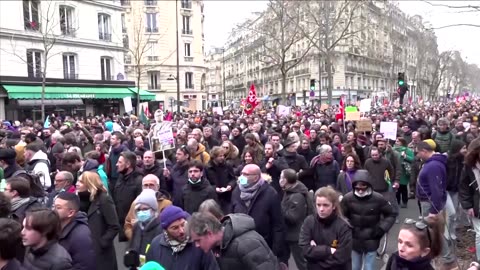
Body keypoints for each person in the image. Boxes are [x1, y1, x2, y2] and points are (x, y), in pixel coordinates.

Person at [341, 170, 396, 270]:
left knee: (369, 267)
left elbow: (391, 214)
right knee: (355, 267)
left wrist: (382, 228)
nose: (360, 191)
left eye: (363, 187)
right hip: (354, 240)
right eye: (357, 188)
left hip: (372, 239)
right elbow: (341, 216)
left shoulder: (378, 198)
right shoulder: (348, 198)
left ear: (368, 185)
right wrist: (347, 226)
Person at [230, 164, 287, 263]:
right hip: (240, 246)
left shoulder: (270, 193)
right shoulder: (236, 192)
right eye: (241, 174)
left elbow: (278, 224)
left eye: (246, 174)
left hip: (263, 246)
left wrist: (275, 251)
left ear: (256, 177)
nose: (242, 177)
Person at [188, 212, 281, 270]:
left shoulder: (247, 244)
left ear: (209, 233)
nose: (196, 245)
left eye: (198, 240)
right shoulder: (219, 247)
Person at [145, 205, 219, 270]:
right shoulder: (156, 246)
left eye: (183, 224)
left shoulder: (200, 244)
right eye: (175, 228)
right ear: (165, 230)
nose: (181, 231)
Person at [299, 186, 352, 270]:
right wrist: (328, 250)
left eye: (325, 205)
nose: (321, 209)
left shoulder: (343, 226)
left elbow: (341, 257)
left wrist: (315, 252)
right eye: (318, 205)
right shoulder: (309, 222)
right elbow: (304, 250)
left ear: (334, 206)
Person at [77, 171, 119, 270]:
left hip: (100, 252)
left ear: (89, 183)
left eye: (81, 182)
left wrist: (102, 243)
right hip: (83, 250)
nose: (77, 184)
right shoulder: (77, 200)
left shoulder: (104, 199)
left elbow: (114, 226)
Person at [54, 191, 96, 270]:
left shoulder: (81, 236)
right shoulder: (56, 226)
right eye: (54, 206)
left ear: (70, 213)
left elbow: (84, 266)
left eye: (58, 207)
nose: (53, 210)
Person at [124, 174, 172, 240]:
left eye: (151, 185)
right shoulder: (135, 203)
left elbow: (170, 226)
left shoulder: (166, 204)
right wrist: (134, 238)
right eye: (145, 185)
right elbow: (128, 225)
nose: (148, 188)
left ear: (158, 187)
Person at [279, 169, 309, 270]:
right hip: (287, 234)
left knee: (302, 263)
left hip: (296, 236)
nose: (280, 179)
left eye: (281, 177)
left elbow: (293, 217)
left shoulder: (297, 196)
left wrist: (279, 208)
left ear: (286, 180)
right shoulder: (288, 191)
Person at [113, 151, 143, 242]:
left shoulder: (139, 181)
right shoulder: (121, 177)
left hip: (133, 226)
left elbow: (141, 206)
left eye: (120, 162)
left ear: (128, 164)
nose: (116, 164)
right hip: (122, 223)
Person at [129, 189, 163, 256]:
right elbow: (132, 246)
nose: (141, 212)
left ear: (153, 210)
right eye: (138, 210)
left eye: (145, 209)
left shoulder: (160, 228)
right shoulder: (137, 226)